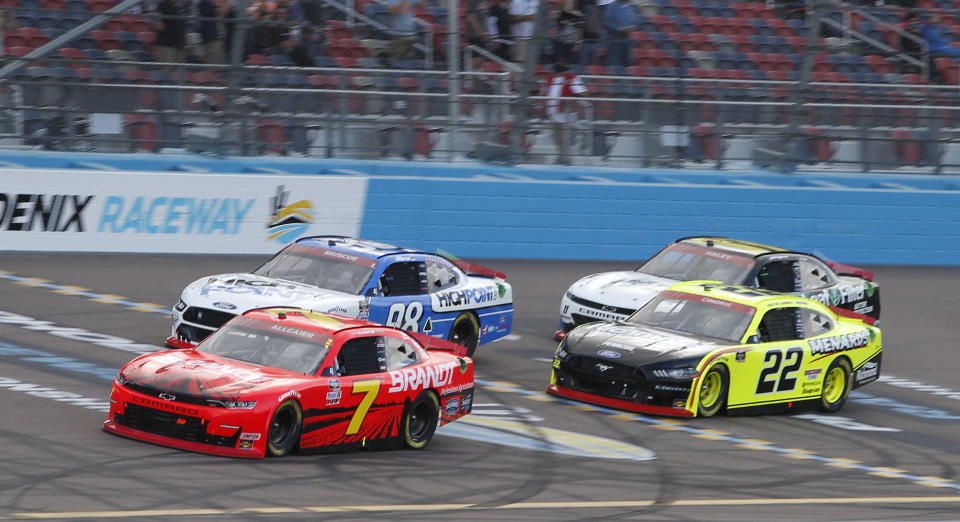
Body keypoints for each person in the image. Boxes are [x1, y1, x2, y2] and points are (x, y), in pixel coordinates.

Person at [545, 60, 586, 165]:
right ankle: (562, 156)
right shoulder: (550, 79)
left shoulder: (572, 78)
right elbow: (545, 93)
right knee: (557, 138)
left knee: (565, 138)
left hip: (567, 113)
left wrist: (573, 96)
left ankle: (565, 159)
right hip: (553, 113)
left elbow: (581, 93)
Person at [602, 0, 636, 67]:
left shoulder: (631, 6)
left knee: (627, 63)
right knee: (614, 62)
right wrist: (619, 29)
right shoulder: (612, 6)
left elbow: (634, 21)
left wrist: (632, 27)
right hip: (615, 39)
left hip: (627, 39)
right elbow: (607, 23)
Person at [553, 0, 584, 65]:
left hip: (571, 43)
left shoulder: (578, 15)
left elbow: (580, 30)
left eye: (570, 3)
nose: (567, 5)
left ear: (573, 4)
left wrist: (578, 43)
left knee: (569, 63)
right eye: (566, 3)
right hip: (559, 42)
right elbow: (555, 27)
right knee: (559, 63)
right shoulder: (559, 13)